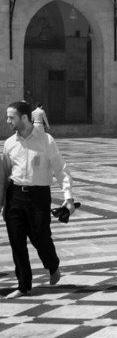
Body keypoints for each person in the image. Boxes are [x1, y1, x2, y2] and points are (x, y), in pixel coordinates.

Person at [1, 100, 76, 296]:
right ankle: (23, 285)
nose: (8, 121)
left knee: (41, 238)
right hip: (15, 195)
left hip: (38, 197)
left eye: (11, 117)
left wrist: (68, 197)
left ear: (24, 118)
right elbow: (5, 175)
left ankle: (52, 265)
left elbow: (61, 169)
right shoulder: (9, 144)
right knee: (16, 241)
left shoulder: (46, 141)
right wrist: (2, 202)